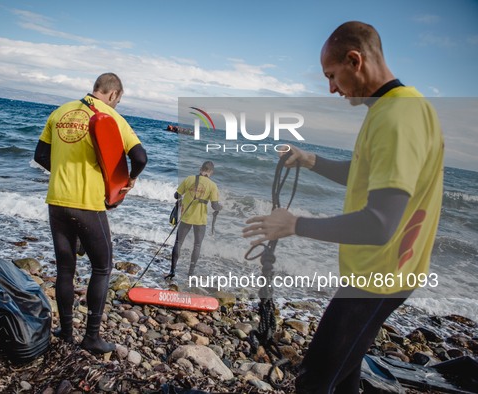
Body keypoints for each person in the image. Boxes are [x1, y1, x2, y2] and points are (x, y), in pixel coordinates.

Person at [243, 21, 443, 393]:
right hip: (389, 271)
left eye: (332, 76)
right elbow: (367, 175)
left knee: (315, 379)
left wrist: (294, 225)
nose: (331, 88)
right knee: (346, 372)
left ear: (355, 60)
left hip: (379, 275)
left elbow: (380, 223)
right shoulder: (402, 107)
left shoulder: (397, 117)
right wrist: (310, 160)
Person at [34, 72, 147, 354]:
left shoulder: (60, 112)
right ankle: (92, 337)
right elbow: (140, 157)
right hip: (86, 204)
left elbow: (40, 155)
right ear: (113, 94)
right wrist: (127, 180)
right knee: (102, 266)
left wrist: (62, 173)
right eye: (117, 100)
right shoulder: (110, 116)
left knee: (65, 268)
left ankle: (67, 332)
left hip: (57, 200)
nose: (116, 104)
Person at [165, 161, 222, 279]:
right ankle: (190, 273)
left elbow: (176, 195)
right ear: (211, 172)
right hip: (200, 220)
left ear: (200, 168)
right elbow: (214, 206)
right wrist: (220, 208)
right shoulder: (212, 185)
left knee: (178, 243)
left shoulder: (189, 179)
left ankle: (172, 270)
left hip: (186, 215)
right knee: (197, 245)